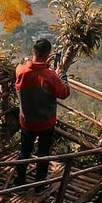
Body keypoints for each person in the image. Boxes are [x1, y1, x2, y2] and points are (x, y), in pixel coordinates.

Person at [13, 38, 70, 189]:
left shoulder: (21, 70)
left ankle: (19, 181)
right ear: (48, 54)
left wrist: (44, 64)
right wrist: (61, 74)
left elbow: (27, 66)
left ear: (34, 51)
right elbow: (64, 92)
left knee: (24, 152)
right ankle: (39, 185)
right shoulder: (51, 76)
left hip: (27, 121)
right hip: (46, 122)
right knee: (43, 154)